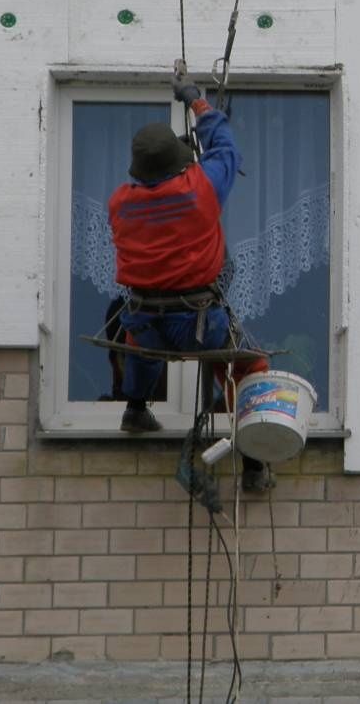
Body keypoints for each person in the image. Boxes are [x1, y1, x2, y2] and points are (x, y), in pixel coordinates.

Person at [108, 69, 275, 493]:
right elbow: (226, 150)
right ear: (178, 168)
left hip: (147, 319)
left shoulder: (120, 204)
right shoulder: (199, 188)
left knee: (140, 347)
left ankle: (135, 407)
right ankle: (255, 465)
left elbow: (158, 211)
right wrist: (196, 101)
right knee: (246, 365)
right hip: (198, 319)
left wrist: (182, 164)